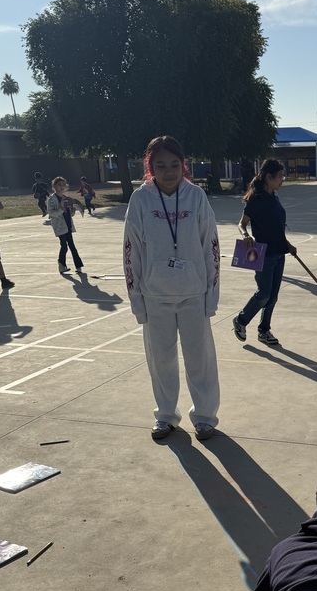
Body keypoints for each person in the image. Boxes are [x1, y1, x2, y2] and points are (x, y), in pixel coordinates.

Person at [123, 135, 220, 442]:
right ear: (150, 167)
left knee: (200, 361)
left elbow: (211, 247)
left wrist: (211, 296)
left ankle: (204, 417)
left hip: (193, 295)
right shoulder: (141, 200)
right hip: (155, 297)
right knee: (161, 361)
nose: (168, 172)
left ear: (183, 166)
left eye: (174, 165)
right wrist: (137, 301)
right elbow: (130, 251)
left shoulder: (196, 197)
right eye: (161, 165)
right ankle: (165, 415)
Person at [233, 159, 297, 348]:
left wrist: (287, 244)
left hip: (279, 253)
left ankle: (264, 330)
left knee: (273, 296)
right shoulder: (256, 199)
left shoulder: (275, 198)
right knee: (263, 294)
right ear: (269, 177)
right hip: (263, 255)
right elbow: (242, 223)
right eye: (280, 176)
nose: (282, 180)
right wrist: (245, 235)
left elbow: (276, 227)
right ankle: (241, 320)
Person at [47, 177, 85, 274]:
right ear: (54, 186)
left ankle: (78, 266)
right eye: (59, 185)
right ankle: (61, 265)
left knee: (72, 246)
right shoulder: (52, 199)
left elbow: (69, 213)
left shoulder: (66, 198)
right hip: (60, 226)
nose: (62, 187)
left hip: (68, 224)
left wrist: (73, 211)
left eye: (63, 185)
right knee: (64, 246)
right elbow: (51, 213)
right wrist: (61, 208)